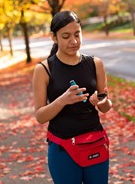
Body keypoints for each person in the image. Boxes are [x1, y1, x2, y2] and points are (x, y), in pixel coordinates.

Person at [32, 10, 113, 184]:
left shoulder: (95, 64)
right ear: (54, 37)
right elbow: (40, 116)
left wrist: (101, 101)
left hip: (94, 142)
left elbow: (105, 106)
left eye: (77, 34)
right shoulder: (44, 70)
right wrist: (63, 100)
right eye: (66, 36)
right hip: (62, 148)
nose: (74, 41)